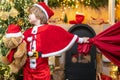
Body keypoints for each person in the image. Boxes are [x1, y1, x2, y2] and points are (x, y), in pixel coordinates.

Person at [23, 2, 89, 80]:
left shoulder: (49, 29)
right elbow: (20, 45)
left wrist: (81, 40)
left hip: (41, 71)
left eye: (31, 13)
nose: (29, 15)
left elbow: (65, 36)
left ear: (38, 15)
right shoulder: (27, 32)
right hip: (27, 71)